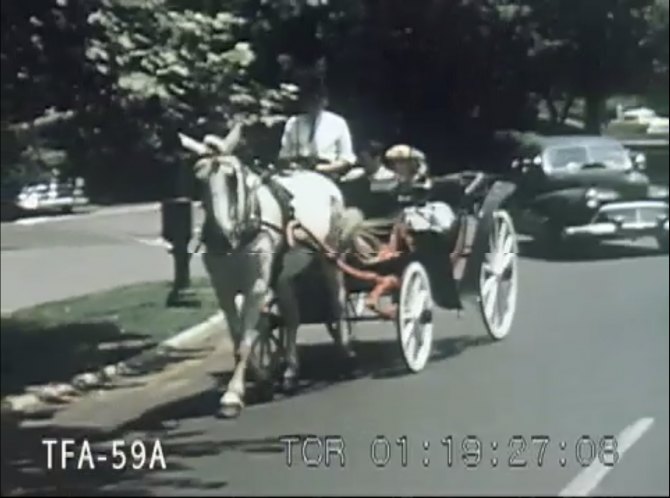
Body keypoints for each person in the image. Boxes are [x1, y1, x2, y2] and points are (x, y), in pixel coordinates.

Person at [278, 79, 357, 177]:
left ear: (325, 101)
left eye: (317, 99)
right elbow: (284, 156)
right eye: (310, 99)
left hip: (327, 174)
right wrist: (290, 165)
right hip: (296, 173)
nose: (313, 104)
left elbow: (347, 159)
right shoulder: (294, 122)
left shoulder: (338, 123)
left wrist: (321, 169)